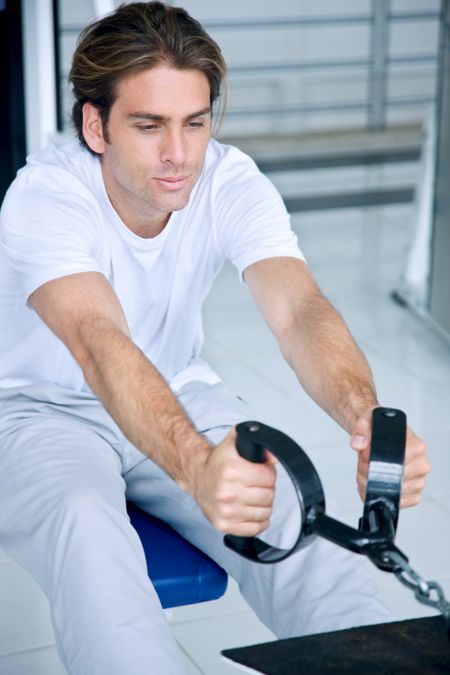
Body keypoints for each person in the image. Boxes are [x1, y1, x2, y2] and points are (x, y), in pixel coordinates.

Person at [0, 3, 430, 674]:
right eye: (148, 126)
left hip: (175, 390)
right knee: (87, 528)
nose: (179, 154)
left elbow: (298, 309)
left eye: (194, 124)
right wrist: (196, 466)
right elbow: (96, 339)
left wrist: (362, 412)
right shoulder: (46, 195)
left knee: (286, 505)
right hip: (39, 410)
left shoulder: (228, 179)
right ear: (96, 125)